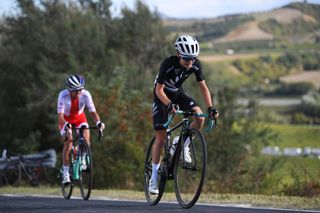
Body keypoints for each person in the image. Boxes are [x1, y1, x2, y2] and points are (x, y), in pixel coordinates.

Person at [149, 35, 219, 194]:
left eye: (193, 59)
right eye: (187, 59)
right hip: (162, 96)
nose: (190, 62)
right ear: (179, 54)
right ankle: (153, 178)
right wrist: (168, 104)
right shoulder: (168, 64)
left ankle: (181, 143)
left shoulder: (195, 65)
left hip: (177, 93)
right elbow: (158, 90)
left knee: (198, 115)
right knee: (160, 137)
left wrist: (210, 108)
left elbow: (203, 87)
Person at [57, 74, 105, 184]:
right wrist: (66, 125)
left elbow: (92, 111)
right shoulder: (62, 95)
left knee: (86, 139)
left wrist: (98, 122)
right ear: (69, 89)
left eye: (80, 89)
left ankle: (82, 158)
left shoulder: (86, 94)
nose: (79, 92)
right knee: (68, 143)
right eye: (76, 90)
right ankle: (65, 174)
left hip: (79, 118)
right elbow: (60, 116)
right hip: (65, 120)